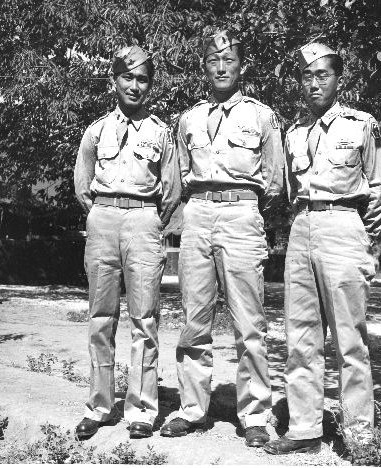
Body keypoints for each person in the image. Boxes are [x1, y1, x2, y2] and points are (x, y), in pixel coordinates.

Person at [264, 42, 381, 455]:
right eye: (307, 76)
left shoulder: (360, 125)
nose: (315, 83)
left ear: (338, 80)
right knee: (300, 335)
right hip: (302, 226)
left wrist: (359, 232)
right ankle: (304, 429)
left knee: (350, 339)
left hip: (344, 225)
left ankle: (360, 435)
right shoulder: (294, 133)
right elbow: (288, 190)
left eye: (323, 75)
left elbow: (380, 186)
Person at [160, 30, 285, 447]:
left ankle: (254, 414)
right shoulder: (188, 119)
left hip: (242, 214)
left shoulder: (262, 116)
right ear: (203, 67)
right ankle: (194, 409)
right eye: (213, 60)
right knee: (194, 318)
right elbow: (178, 174)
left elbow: (274, 179)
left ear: (241, 66)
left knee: (249, 322)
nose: (221, 66)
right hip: (196, 215)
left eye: (228, 59)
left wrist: (243, 209)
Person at [73, 44, 180, 440]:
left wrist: (147, 220)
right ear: (114, 80)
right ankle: (99, 406)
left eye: (143, 79)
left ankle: (141, 410)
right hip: (102, 219)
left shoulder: (161, 132)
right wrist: (101, 211)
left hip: (143, 221)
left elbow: (171, 189)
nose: (135, 86)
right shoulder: (96, 130)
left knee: (144, 318)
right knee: (101, 317)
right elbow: (82, 184)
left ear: (150, 85)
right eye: (127, 77)